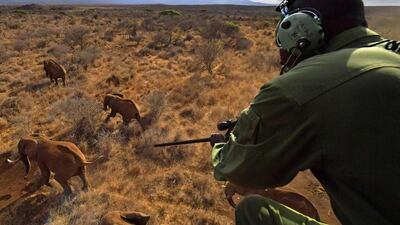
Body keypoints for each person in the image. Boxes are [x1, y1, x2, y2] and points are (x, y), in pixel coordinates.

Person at [210, 0, 400, 224]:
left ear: (303, 25)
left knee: (254, 211)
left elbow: (235, 168)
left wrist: (222, 146)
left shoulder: (303, 87)